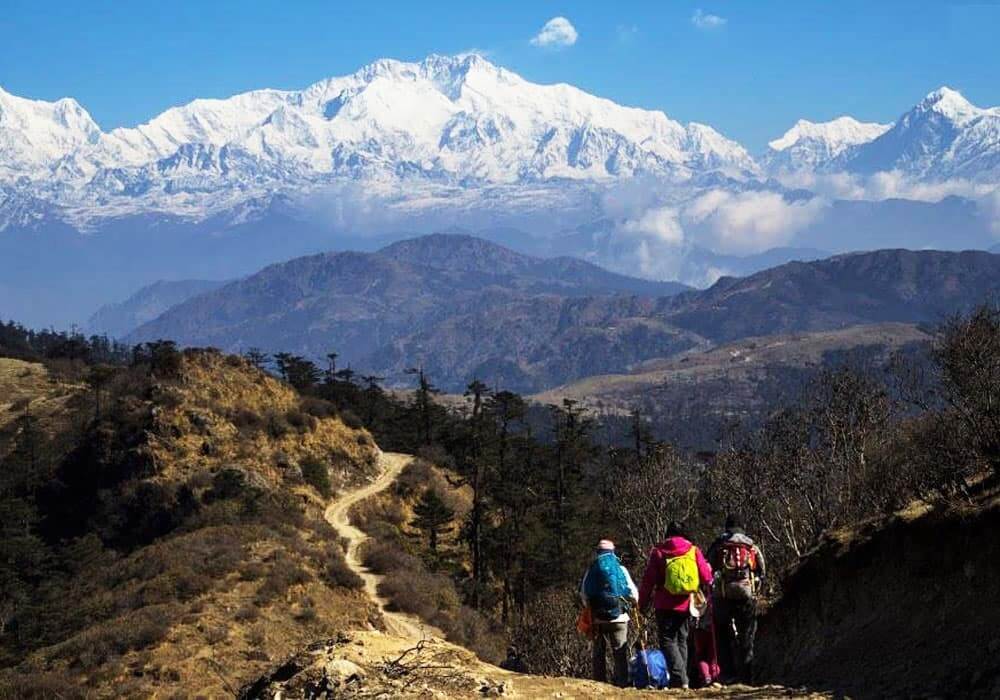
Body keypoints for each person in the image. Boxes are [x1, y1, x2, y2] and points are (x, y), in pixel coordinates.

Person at [638, 522, 713, 689]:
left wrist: (641, 604)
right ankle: (681, 679)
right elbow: (707, 576)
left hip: (664, 603)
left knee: (667, 640)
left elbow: (648, 582)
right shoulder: (693, 550)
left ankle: (680, 679)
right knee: (681, 640)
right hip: (686, 603)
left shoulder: (659, 552)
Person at [707, 514, 766, 682]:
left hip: (723, 595)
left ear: (727, 527)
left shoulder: (719, 544)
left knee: (722, 634)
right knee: (747, 635)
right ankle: (747, 675)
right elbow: (762, 570)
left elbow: (708, 566)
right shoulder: (751, 545)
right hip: (746, 594)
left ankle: (728, 674)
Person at [580, 539, 639, 687]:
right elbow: (633, 593)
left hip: (598, 618)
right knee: (620, 652)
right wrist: (633, 604)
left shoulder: (592, 569)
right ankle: (622, 683)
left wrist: (591, 608)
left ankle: (599, 683)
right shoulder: (620, 568)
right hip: (620, 617)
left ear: (598, 552)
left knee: (598, 652)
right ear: (613, 552)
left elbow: (584, 593)